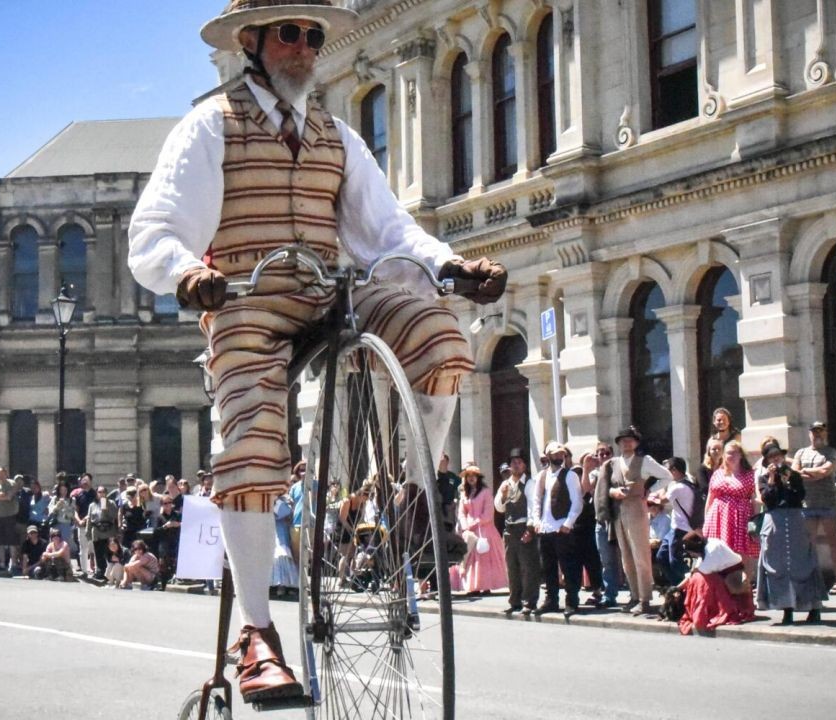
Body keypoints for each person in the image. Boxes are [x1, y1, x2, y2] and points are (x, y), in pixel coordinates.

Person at [127, 0, 506, 703]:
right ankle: (258, 636)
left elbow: (388, 230)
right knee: (251, 431)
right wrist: (187, 272)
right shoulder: (212, 125)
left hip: (332, 293)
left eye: (310, 35)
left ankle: (415, 505)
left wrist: (451, 267)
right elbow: (156, 226)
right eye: (287, 34)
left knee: (440, 335)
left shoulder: (338, 137)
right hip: (245, 298)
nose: (303, 47)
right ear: (251, 43)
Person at [596, 426, 672, 615]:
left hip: (637, 509)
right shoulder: (613, 463)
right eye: (622, 440)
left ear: (636, 442)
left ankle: (645, 597)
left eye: (630, 440)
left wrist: (648, 490)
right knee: (626, 558)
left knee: (641, 556)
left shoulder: (644, 460)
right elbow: (607, 487)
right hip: (619, 512)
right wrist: (613, 492)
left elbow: (666, 476)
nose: (626, 443)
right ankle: (634, 595)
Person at [756, 442, 826, 625]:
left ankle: (814, 608)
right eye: (772, 457)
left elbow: (799, 496)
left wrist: (788, 480)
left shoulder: (793, 475)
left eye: (778, 456)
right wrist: (772, 479)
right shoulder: (763, 479)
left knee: (802, 564)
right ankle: (787, 609)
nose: (776, 459)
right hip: (775, 523)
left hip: (795, 520)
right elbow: (767, 499)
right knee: (778, 567)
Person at [530, 442, 584, 618]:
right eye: (555, 454)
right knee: (548, 568)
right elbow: (536, 500)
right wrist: (536, 521)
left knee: (568, 566)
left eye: (561, 454)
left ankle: (571, 601)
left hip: (562, 527)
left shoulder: (570, 476)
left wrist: (568, 523)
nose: (559, 457)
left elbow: (577, 502)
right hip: (545, 528)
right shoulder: (542, 476)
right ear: (548, 456)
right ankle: (551, 600)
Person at [791, 422, 836, 593]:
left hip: (827, 502)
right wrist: (812, 475)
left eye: (820, 431)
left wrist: (807, 474)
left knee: (833, 541)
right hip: (807, 503)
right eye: (814, 432)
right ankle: (810, 578)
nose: (817, 435)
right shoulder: (801, 452)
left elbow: (825, 472)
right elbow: (794, 474)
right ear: (809, 434)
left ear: (825, 433)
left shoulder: (831, 452)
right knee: (808, 543)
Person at [677, 530, 756, 635]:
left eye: (691, 553)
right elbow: (696, 569)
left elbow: (699, 572)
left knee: (700, 582)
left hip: (733, 577)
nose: (691, 555)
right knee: (698, 578)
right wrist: (676, 588)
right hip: (721, 573)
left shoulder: (711, 551)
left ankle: (711, 611)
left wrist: (679, 588)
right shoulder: (709, 544)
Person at [703, 440, 759, 581]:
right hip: (718, 519)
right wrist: (706, 520)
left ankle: (744, 587)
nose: (732, 456)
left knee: (742, 554)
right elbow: (711, 497)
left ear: (741, 455)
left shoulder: (750, 475)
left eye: (735, 452)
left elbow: (754, 499)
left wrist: (756, 521)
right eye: (729, 453)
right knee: (719, 553)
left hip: (741, 518)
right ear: (724, 455)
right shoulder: (717, 474)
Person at [495, 448, 539, 615]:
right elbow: (499, 507)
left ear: (524, 465)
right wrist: (504, 496)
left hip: (523, 528)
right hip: (510, 529)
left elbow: (533, 507)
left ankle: (529, 601)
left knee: (528, 567)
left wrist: (530, 529)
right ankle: (515, 601)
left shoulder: (529, 484)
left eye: (519, 462)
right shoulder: (506, 484)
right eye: (513, 462)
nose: (516, 465)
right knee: (512, 567)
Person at [455, 465, 508, 595]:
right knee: (469, 558)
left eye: (473, 476)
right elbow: (461, 512)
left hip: (484, 529)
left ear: (478, 478)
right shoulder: (464, 494)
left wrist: (475, 522)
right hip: (469, 530)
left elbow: (488, 514)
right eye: (468, 476)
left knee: (483, 557)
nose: (471, 478)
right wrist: (465, 525)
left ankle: (486, 584)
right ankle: (472, 586)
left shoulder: (485, 492)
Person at [587, 443, 622, 608]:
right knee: (606, 560)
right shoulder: (594, 473)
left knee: (627, 558)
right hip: (601, 521)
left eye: (607, 453)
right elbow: (586, 489)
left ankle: (636, 594)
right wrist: (587, 467)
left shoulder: (619, 469)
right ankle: (610, 595)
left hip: (619, 518)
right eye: (600, 454)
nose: (603, 456)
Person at [659, 457, 701, 587]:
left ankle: (687, 585)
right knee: (662, 556)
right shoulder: (689, 482)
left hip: (680, 529)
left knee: (675, 561)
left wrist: (662, 483)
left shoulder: (677, 487)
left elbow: (661, 500)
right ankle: (676, 585)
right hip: (676, 528)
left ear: (675, 470)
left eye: (666, 471)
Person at [573, 452, 605, 607]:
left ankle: (597, 590)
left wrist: (587, 469)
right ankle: (574, 593)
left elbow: (586, 490)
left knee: (592, 560)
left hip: (590, 524)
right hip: (575, 525)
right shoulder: (576, 474)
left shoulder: (596, 474)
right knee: (575, 562)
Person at [0, 469, 21, 572]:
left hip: (9, 515)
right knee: (0, 542)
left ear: (6, 474)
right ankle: (2, 563)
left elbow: (9, 497)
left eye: (2, 474)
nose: (0, 476)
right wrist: (0, 495)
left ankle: (14, 563)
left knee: (11, 541)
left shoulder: (12, 483)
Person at [271, 491, 297, 596]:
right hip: (272, 532)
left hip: (282, 532)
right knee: (275, 558)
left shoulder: (285, 500)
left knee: (282, 556)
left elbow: (287, 513)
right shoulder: (271, 499)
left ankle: (283, 585)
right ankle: (274, 585)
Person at [46, 481, 75, 565]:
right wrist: (57, 506)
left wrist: (66, 507)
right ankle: (53, 566)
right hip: (55, 525)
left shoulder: (72, 500)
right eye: (61, 490)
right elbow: (50, 512)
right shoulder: (54, 499)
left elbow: (72, 514)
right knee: (54, 546)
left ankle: (66, 567)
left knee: (64, 546)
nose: (63, 492)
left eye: (65, 490)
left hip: (66, 526)